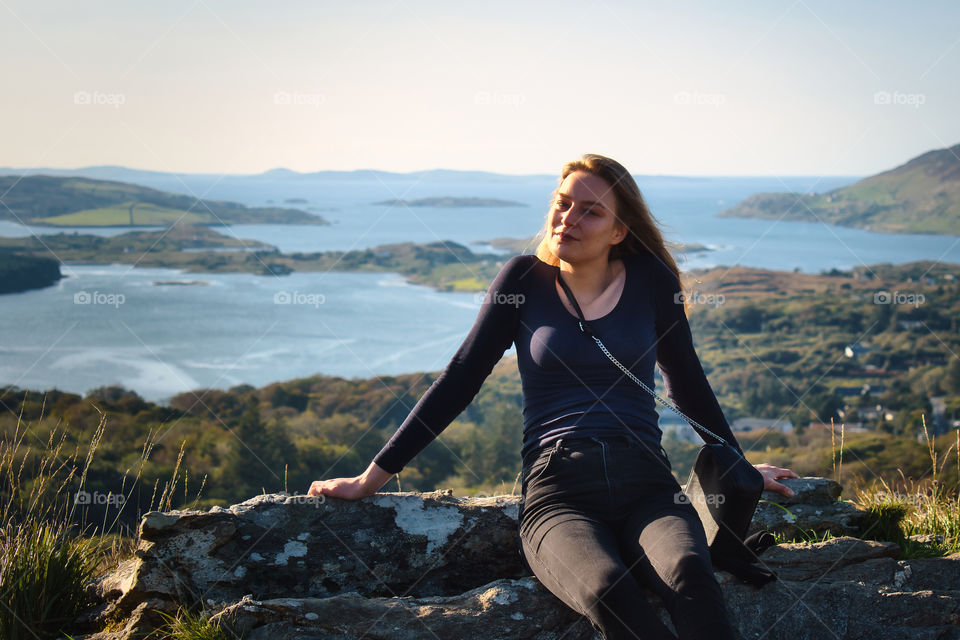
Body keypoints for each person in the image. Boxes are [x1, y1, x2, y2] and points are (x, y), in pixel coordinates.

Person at [308, 153, 799, 639]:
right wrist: (371, 478)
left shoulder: (651, 281)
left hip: (648, 481)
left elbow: (686, 380)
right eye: (563, 204)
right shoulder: (522, 280)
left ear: (619, 231)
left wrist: (736, 466)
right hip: (559, 490)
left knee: (691, 575)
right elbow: (459, 379)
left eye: (591, 211)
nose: (568, 219)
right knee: (609, 590)